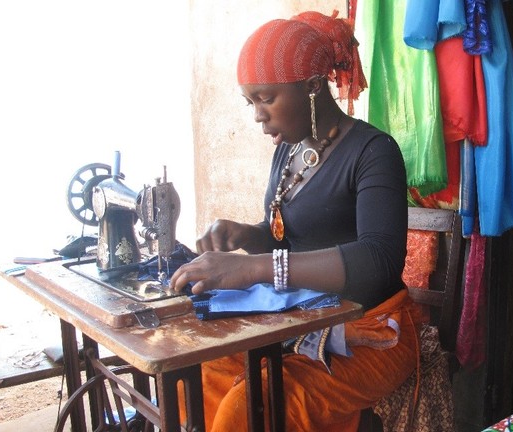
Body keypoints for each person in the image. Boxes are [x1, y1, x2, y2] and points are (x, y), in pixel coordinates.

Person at [169, 10, 425, 432]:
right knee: (193, 378)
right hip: (304, 317)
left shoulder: (374, 151)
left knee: (251, 406)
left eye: (266, 98)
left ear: (311, 88)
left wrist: (252, 267)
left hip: (374, 329)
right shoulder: (288, 152)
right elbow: (290, 239)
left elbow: (379, 262)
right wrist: (248, 236)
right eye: (250, 101)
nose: (257, 115)